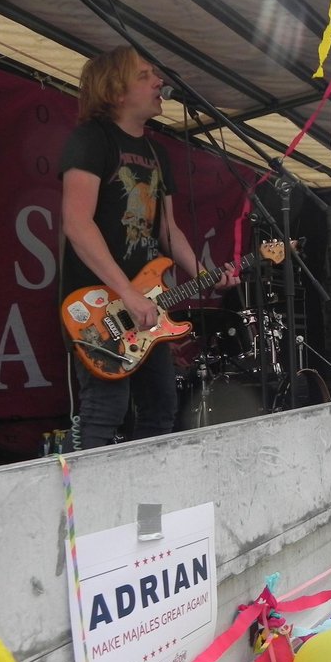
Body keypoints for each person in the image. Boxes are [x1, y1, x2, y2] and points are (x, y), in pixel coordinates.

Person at [60, 46, 240, 449]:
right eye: (144, 75)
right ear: (116, 91)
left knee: (161, 406)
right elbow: (76, 222)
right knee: (106, 407)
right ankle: (91, 508)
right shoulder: (91, 139)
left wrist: (204, 273)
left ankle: (148, 509)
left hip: (146, 304)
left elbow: (168, 229)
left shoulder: (158, 154)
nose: (159, 81)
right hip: (98, 302)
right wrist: (126, 293)